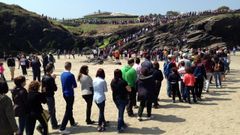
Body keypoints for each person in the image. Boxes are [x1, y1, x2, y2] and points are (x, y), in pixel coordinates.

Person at [59, 62, 78, 134]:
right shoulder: (71, 75)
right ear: (70, 66)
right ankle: (62, 128)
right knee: (68, 110)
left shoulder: (62, 74)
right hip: (70, 94)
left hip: (64, 93)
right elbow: (75, 85)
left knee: (69, 108)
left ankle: (72, 122)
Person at [41, 64, 59, 129]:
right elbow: (55, 89)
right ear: (51, 69)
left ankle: (54, 124)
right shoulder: (50, 78)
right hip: (50, 96)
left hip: (46, 96)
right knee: (51, 111)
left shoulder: (44, 77)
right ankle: (42, 125)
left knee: (52, 110)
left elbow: (43, 88)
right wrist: (53, 79)